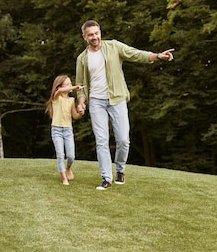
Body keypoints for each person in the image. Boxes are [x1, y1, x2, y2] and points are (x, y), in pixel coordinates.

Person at [75, 20, 174, 190]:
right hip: (96, 102)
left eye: (96, 33)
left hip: (117, 99)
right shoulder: (82, 59)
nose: (94, 37)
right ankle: (106, 178)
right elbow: (80, 85)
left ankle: (120, 169)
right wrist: (81, 101)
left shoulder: (114, 47)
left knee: (123, 140)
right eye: (90, 34)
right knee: (101, 140)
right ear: (84, 37)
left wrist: (157, 56)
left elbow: (136, 54)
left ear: (100, 32)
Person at [45, 75, 84, 185]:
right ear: (59, 86)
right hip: (56, 130)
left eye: (70, 84)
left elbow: (75, 116)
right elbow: (61, 90)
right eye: (67, 84)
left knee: (71, 156)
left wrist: (81, 112)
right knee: (60, 155)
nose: (70, 86)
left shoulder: (71, 100)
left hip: (68, 130)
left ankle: (68, 168)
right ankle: (63, 178)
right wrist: (75, 87)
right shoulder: (56, 97)